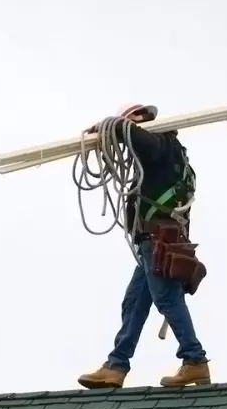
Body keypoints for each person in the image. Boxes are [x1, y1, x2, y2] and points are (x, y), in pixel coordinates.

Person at [77, 103, 211, 389]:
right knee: (135, 302)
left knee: (167, 298)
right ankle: (116, 365)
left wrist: (115, 125)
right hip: (154, 241)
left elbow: (141, 141)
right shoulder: (168, 153)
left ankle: (194, 359)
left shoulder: (161, 144)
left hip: (158, 238)